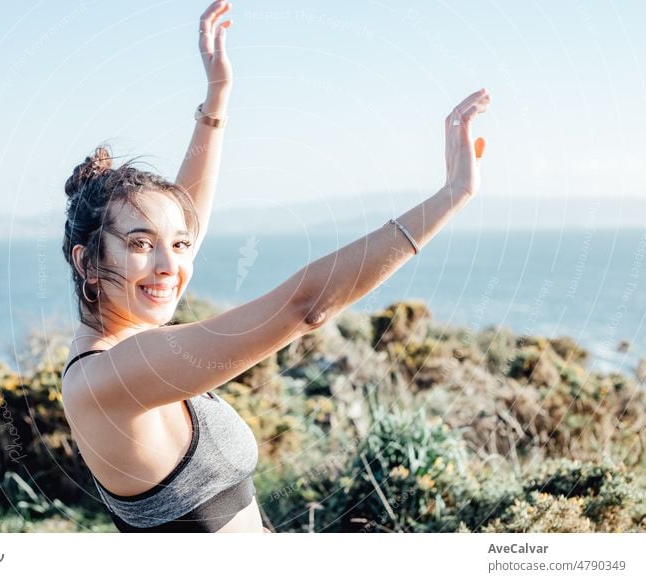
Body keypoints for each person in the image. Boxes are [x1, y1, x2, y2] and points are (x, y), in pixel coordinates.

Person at [59, 0, 491, 533]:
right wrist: (452, 196)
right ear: (89, 262)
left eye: (180, 244)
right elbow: (305, 306)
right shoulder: (113, 377)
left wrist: (216, 101)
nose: (173, 264)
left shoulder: (123, 344)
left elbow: (183, 224)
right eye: (142, 243)